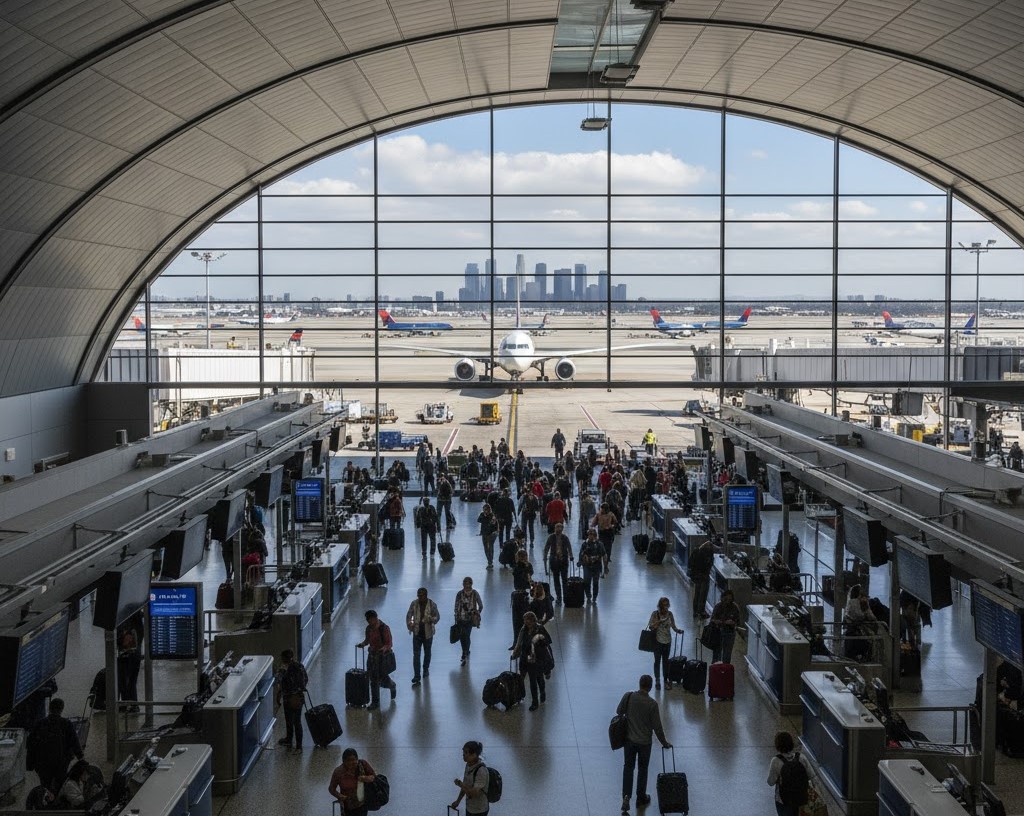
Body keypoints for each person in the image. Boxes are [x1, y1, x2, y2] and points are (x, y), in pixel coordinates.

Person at [616, 675, 672, 813]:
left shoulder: (628, 696)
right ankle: (641, 797)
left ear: (639, 684)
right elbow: (657, 728)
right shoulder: (652, 704)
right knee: (643, 769)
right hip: (645, 743)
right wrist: (664, 743)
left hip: (629, 740)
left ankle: (626, 796)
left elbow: (619, 711)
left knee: (628, 767)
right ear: (650, 687)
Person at [27, 698, 84, 793]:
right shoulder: (66, 723)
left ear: (50, 708)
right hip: (61, 762)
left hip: (42, 762)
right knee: (60, 784)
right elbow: (74, 742)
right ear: (61, 709)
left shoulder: (40, 723)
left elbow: (31, 744)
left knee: (45, 784)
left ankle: (46, 797)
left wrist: (30, 764)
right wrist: (80, 757)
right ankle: (57, 798)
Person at [511, 611, 553, 711]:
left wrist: (539, 640)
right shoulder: (523, 629)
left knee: (538, 679)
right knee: (527, 679)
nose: (526, 623)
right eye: (525, 621)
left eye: (528, 621)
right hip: (525, 657)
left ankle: (540, 695)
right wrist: (515, 654)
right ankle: (531, 700)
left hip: (537, 658)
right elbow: (519, 643)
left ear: (533, 620)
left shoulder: (540, 628)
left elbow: (548, 641)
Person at [766, 731, 813, 816]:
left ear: (777, 746)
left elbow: (770, 782)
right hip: (801, 797)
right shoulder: (801, 758)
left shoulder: (776, 761)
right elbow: (811, 775)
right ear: (792, 743)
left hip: (783, 800)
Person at [356, 610, 396, 710]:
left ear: (375, 618)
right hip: (372, 657)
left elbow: (389, 643)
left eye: (370, 619)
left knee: (382, 678)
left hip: (382, 657)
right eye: (367, 620)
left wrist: (383, 649)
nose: (369, 622)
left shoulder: (384, 628)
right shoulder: (368, 628)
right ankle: (375, 702)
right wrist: (363, 644)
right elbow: (367, 640)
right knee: (373, 679)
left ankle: (392, 685)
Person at [275, 648, 308, 749]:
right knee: (297, 721)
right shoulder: (300, 666)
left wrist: (279, 695)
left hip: (288, 699)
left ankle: (289, 740)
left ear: (284, 659)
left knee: (290, 720)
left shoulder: (284, 669)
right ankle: (298, 745)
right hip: (299, 698)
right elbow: (306, 679)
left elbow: (279, 681)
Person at [647, 597, 684, 689]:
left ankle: (665, 680)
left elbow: (673, 626)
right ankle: (657, 680)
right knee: (657, 661)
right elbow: (650, 626)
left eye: (667, 605)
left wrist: (678, 631)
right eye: (664, 605)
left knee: (666, 662)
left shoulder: (670, 614)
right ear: (660, 606)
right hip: (657, 641)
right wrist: (659, 622)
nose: (666, 607)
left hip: (667, 641)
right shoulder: (655, 614)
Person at [406, 587, 439, 686]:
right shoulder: (414, 604)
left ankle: (425, 669)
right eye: (418, 595)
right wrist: (410, 623)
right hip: (417, 633)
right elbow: (409, 616)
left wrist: (430, 619)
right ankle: (417, 676)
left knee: (427, 653)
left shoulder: (432, 604)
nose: (419, 597)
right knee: (416, 655)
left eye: (421, 596)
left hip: (428, 634)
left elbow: (437, 617)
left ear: (426, 595)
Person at [329, 747, 377, 815]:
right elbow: (331, 789)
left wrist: (366, 778)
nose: (351, 763)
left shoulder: (363, 765)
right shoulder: (338, 772)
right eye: (348, 760)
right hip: (347, 805)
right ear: (343, 761)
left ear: (357, 759)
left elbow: (374, 777)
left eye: (353, 760)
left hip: (362, 804)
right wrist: (339, 796)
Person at [452, 740, 489, 816]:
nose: (463, 755)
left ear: (474, 754)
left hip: (479, 810)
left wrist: (460, 784)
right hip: (470, 808)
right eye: (463, 752)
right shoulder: (468, 765)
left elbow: (473, 793)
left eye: (466, 752)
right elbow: (465, 785)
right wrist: (458, 801)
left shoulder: (481, 771)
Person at [116, 611, 143, 711]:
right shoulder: (139, 624)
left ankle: (125, 705)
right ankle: (133, 705)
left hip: (126, 655)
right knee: (132, 681)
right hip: (136, 655)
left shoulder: (125, 622)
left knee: (122, 681)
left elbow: (120, 640)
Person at [455, 577, 484, 666]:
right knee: (462, 636)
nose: (466, 585)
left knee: (466, 635)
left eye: (467, 583)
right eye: (464, 583)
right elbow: (456, 606)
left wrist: (477, 614)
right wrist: (456, 616)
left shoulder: (475, 593)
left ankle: (465, 652)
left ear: (471, 584)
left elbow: (481, 605)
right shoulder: (459, 594)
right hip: (460, 619)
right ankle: (465, 651)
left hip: (470, 619)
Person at [543, 522, 574, 605]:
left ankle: (565, 597)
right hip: (554, 561)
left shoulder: (565, 538)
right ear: (555, 528)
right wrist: (545, 557)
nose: (558, 529)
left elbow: (569, 547)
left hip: (563, 561)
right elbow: (546, 548)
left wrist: (571, 555)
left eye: (560, 528)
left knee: (564, 580)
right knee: (556, 580)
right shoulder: (551, 537)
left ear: (562, 529)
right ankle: (559, 597)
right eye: (557, 527)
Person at [710, 589, 742, 665]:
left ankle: (725, 669)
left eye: (730, 600)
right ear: (722, 598)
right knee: (717, 654)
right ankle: (715, 668)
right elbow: (713, 620)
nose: (728, 601)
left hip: (730, 633)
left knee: (727, 655)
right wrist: (724, 622)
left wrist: (733, 623)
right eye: (726, 599)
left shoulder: (734, 607)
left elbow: (738, 622)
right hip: (718, 632)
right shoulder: (718, 607)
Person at [577, 528, 608, 605]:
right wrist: (580, 561)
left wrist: (605, 566)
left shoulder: (599, 544)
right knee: (587, 582)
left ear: (595, 535)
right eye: (589, 535)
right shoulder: (585, 544)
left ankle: (594, 597)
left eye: (592, 535)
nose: (591, 536)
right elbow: (581, 554)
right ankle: (588, 595)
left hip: (597, 566)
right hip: (587, 566)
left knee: (595, 583)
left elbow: (604, 555)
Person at [688, 538, 714, 619]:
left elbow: (690, 563)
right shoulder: (708, 554)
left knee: (697, 593)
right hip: (703, 576)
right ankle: (701, 612)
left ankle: (695, 612)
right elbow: (708, 565)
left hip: (696, 576)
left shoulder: (696, 551)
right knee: (703, 594)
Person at [477, 503, 499, 570]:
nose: (485, 511)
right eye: (484, 509)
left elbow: (494, 524)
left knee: (490, 547)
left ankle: (490, 562)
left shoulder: (492, 516)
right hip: (484, 533)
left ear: (489, 509)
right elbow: (479, 520)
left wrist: (495, 532)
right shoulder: (482, 514)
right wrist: (484, 515)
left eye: (486, 509)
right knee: (486, 548)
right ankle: (489, 561)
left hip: (491, 534)